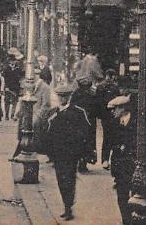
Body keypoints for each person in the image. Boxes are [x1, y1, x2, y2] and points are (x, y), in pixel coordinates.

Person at [41, 83, 91, 221]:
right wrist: (49, 153)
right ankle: (66, 204)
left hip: (71, 154)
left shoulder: (78, 112)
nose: (62, 99)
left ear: (70, 97)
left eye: (65, 97)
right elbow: (47, 134)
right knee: (60, 180)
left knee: (69, 179)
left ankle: (68, 207)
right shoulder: (53, 112)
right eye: (60, 96)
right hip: (57, 154)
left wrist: (82, 153)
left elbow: (86, 132)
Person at [107, 94, 136, 225]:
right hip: (119, 167)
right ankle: (126, 220)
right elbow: (108, 142)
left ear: (123, 108)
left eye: (115, 109)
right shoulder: (113, 123)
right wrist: (105, 159)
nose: (112, 112)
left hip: (134, 166)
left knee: (135, 197)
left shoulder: (136, 122)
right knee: (122, 197)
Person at [71, 76, 99, 173]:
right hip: (89, 122)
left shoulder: (76, 94)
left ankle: (80, 161)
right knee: (88, 141)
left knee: (80, 141)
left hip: (80, 122)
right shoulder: (91, 94)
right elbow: (95, 108)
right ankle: (84, 162)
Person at [95, 69, 121, 169]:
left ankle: (105, 160)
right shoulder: (113, 87)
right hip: (111, 115)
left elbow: (97, 102)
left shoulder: (100, 87)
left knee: (107, 137)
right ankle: (109, 160)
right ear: (110, 76)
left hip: (106, 116)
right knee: (112, 137)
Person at [2, 56, 24, 121]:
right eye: (11, 61)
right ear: (9, 61)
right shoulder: (6, 69)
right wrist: (5, 87)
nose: (13, 62)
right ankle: (6, 115)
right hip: (8, 88)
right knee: (7, 102)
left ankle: (12, 115)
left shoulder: (18, 69)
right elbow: (4, 78)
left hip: (15, 88)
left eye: (14, 61)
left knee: (14, 102)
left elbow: (21, 76)